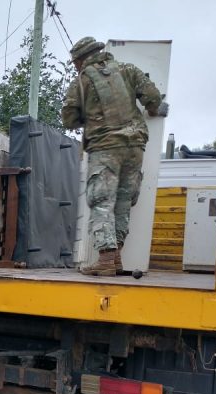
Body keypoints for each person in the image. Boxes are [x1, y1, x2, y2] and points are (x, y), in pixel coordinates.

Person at [62, 36, 169, 276]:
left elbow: (69, 118)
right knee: (123, 202)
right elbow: (152, 98)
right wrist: (154, 110)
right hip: (135, 146)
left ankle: (106, 259)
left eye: (75, 62)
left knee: (101, 202)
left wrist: (89, 115)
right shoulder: (128, 70)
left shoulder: (81, 81)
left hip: (105, 147)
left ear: (81, 59)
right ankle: (116, 257)